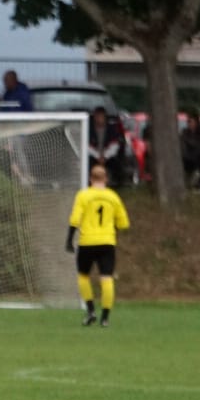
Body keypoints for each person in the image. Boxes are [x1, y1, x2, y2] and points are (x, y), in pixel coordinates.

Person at [67, 162, 130, 327]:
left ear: (90, 179)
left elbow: (75, 218)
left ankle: (90, 311)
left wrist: (69, 240)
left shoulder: (83, 195)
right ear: (106, 179)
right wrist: (112, 229)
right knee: (107, 278)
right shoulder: (113, 197)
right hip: (107, 242)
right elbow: (123, 223)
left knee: (83, 276)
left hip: (87, 241)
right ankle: (105, 318)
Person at [86, 105, 128, 187]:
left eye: (101, 116)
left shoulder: (112, 129)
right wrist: (98, 156)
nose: (99, 118)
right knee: (87, 163)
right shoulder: (88, 129)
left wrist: (105, 157)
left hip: (108, 156)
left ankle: (118, 184)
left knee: (117, 164)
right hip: (93, 156)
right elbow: (87, 146)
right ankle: (89, 183)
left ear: (105, 117)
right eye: (97, 116)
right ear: (94, 117)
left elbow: (115, 146)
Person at [180, 110, 200, 192]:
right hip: (187, 158)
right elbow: (183, 147)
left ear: (196, 122)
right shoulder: (184, 133)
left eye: (191, 121)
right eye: (188, 122)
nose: (189, 124)